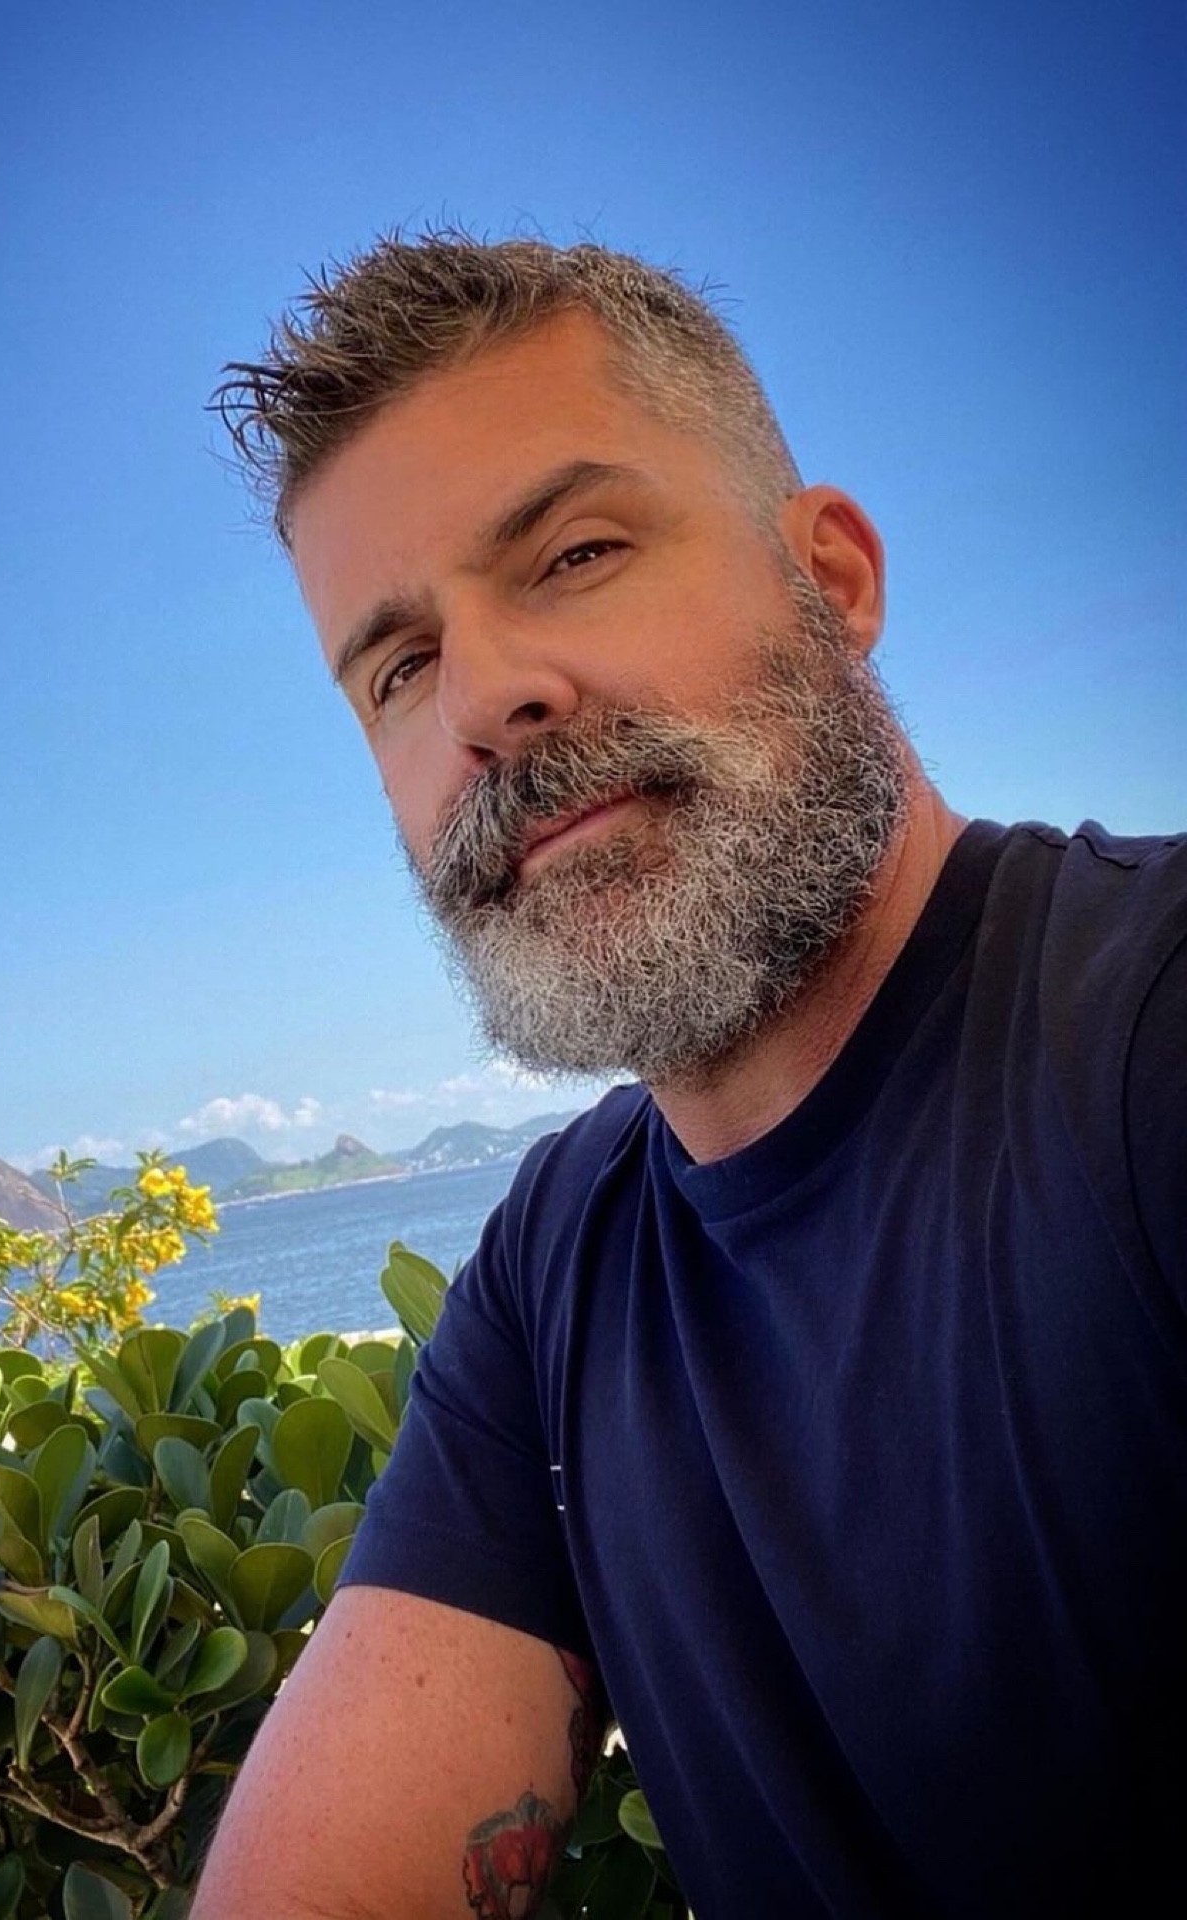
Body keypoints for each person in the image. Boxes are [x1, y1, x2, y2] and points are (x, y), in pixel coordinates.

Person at [194, 233, 1186, 1919]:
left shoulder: (1146, 1031)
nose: (486, 699)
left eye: (576, 553)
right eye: (400, 667)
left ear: (833, 578)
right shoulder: (557, 1269)